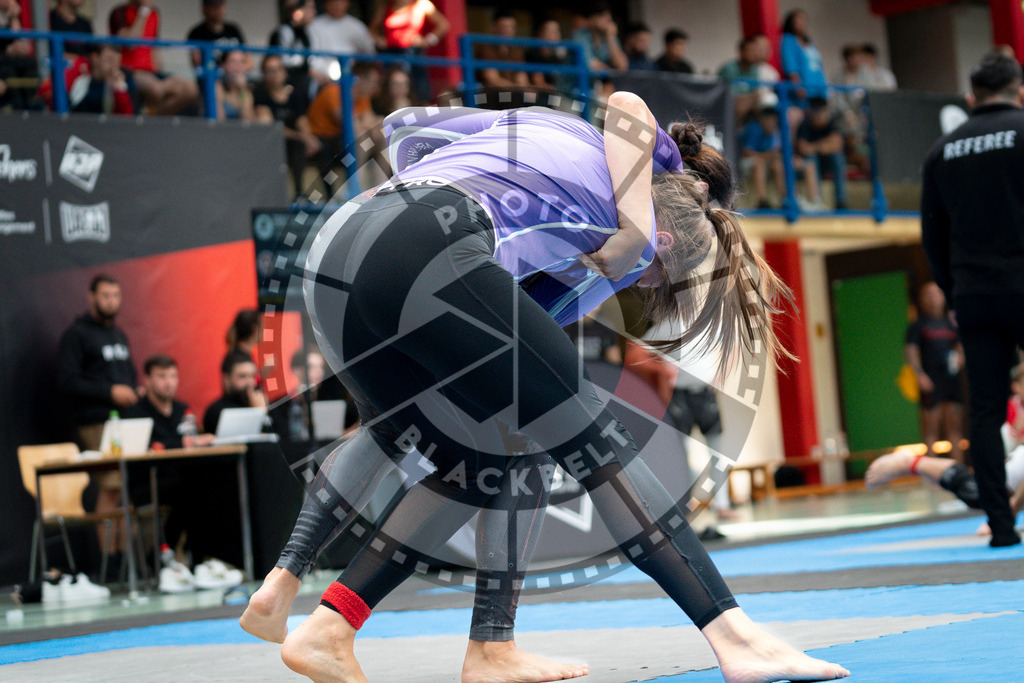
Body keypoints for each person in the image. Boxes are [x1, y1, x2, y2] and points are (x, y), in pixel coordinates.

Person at [275, 95, 849, 682]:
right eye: (654, 276)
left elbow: (401, 126)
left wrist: (429, 187)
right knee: (601, 443)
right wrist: (633, 230)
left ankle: (336, 625)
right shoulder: (640, 206)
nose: (639, 281)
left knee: (480, 453)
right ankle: (734, 634)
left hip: (342, 249)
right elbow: (628, 104)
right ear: (667, 246)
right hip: (423, 243)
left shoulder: (540, 157)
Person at [921, 51, 1024, 548]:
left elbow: (932, 237)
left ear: (970, 99)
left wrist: (954, 291)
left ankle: (1001, 528)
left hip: (974, 293)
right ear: (1019, 91)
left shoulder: (942, 151)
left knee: (983, 410)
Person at [866, 365, 1024, 535]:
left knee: (986, 494)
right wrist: (1009, 512)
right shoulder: (1011, 406)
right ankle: (911, 462)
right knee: (981, 494)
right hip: (1011, 459)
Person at [56, 274, 139, 555]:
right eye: (105, 296)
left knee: (127, 490)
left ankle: (124, 559)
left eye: (116, 296)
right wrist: (109, 392)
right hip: (95, 421)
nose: (111, 302)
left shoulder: (118, 335)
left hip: (123, 421)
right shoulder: (77, 335)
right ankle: (109, 560)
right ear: (91, 297)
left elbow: (126, 374)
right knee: (111, 487)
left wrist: (131, 391)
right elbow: (67, 381)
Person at [905, 282, 965, 462]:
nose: (933, 298)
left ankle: (959, 471)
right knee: (931, 430)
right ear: (922, 299)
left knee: (954, 428)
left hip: (951, 381)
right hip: (931, 383)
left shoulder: (951, 323)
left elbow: (960, 347)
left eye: (937, 293)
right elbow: (911, 351)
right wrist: (920, 375)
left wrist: (960, 358)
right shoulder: (917, 326)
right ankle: (931, 475)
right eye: (928, 294)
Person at [108, 0, 199, 115]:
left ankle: (153, 117)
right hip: (129, 71)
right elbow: (130, 43)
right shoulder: (119, 12)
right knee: (156, 89)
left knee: (190, 89)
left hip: (151, 72)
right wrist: (143, 11)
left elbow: (154, 48)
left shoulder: (154, 13)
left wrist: (159, 71)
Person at [255, 54, 319, 198]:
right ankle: (288, 194)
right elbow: (272, 128)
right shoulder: (260, 93)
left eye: (278, 70)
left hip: (293, 140)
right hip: (272, 141)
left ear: (284, 72)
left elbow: (301, 119)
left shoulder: (294, 92)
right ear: (264, 74)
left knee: (317, 148)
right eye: (270, 71)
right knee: (293, 144)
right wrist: (302, 137)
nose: (275, 74)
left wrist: (309, 139)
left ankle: (313, 194)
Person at [368, 0, 448, 103]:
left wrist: (428, 40)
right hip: (391, 54)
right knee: (390, 85)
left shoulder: (421, 3)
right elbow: (372, 28)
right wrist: (379, 40)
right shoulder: (387, 5)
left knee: (417, 87)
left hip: (412, 53)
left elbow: (443, 25)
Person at [308, 0, 376, 88]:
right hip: (322, 78)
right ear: (326, 4)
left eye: (340, 2)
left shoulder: (357, 26)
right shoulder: (314, 25)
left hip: (352, 77)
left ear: (347, 3)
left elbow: (369, 51)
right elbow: (312, 55)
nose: (337, 5)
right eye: (333, 2)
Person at [795, 97, 845, 210]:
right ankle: (817, 200)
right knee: (812, 158)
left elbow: (838, 145)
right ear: (811, 112)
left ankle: (841, 201)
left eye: (823, 111)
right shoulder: (805, 124)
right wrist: (824, 145)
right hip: (808, 166)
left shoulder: (831, 124)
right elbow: (803, 149)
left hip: (827, 163)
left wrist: (816, 147)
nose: (820, 115)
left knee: (838, 157)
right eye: (817, 112)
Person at [203, 350, 267, 435]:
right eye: (242, 376)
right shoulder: (217, 410)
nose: (250, 383)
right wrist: (259, 412)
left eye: (252, 376)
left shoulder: (259, 404)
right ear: (226, 380)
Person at [69, 43, 139, 115]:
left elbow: (130, 117)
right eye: (109, 60)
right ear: (95, 58)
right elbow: (76, 113)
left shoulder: (126, 79)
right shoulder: (82, 81)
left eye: (117, 61)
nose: (114, 66)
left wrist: (119, 90)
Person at [740, 105, 785, 209]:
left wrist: (771, 156)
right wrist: (767, 155)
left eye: (774, 120)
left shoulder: (776, 131)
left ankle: (784, 200)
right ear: (762, 119)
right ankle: (762, 201)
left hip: (765, 161)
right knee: (759, 164)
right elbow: (746, 152)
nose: (772, 123)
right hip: (744, 162)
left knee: (778, 164)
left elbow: (777, 152)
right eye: (769, 120)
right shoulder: (754, 128)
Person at [780, 9, 826, 108]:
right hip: (804, 91)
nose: (802, 23)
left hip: (819, 88)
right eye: (798, 21)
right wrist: (798, 87)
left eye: (804, 20)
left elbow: (819, 65)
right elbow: (790, 66)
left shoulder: (809, 42)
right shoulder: (788, 40)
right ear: (791, 23)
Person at [475, 9, 529, 89]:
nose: (508, 31)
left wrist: (524, 90)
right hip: (491, 94)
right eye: (504, 27)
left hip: (513, 93)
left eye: (512, 27)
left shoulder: (516, 49)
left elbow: (521, 77)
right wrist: (516, 89)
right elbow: (492, 79)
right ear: (494, 27)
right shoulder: (486, 47)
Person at [186, 0, 246, 70]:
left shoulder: (233, 29)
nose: (218, 10)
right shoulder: (196, 33)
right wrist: (223, 68)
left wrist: (236, 68)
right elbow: (197, 63)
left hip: (236, 74)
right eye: (214, 6)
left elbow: (249, 62)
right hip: (211, 77)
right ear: (205, 8)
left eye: (220, 6)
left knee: (240, 79)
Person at [269, 0, 315, 89]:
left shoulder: (307, 31)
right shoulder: (285, 30)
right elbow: (284, 59)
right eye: (309, 8)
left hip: (304, 77)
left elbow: (313, 55)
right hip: (288, 78)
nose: (313, 12)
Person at [571, 3, 626, 72]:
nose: (608, 19)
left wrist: (610, 38)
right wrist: (611, 71)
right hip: (574, 81)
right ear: (591, 18)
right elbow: (591, 65)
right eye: (602, 16)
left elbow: (622, 65)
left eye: (609, 15)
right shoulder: (579, 35)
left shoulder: (609, 35)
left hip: (594, 81)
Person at [214, 49, 254, 121]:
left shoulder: (245, 90)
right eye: (233, 61)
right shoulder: (218, 87)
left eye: (242, 62)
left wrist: (242, 89)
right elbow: (219, 122)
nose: (238, 67)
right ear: (224, 65)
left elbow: (248, 121)